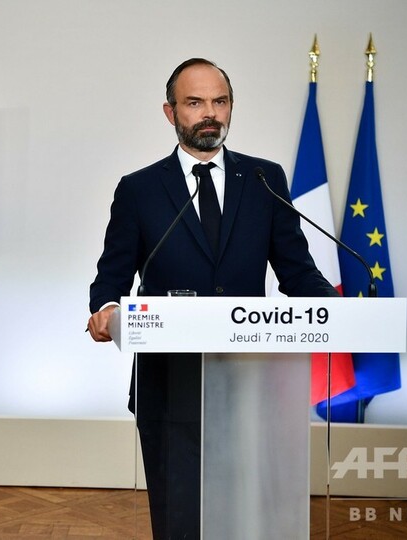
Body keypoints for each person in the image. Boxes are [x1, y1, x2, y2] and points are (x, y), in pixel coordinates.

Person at [87, 58, 338, 539]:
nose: (209, 113)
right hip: (168, 381)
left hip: (251, 380)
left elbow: (297, 271)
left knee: (249, 512)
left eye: (219, 102)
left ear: (231, 107)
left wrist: (340, 312)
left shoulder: (264, 180)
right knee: (179, 516)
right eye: (195, 102)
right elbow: (111, 276)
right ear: (171, 112)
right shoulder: (139, 189)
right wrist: (106, 310)